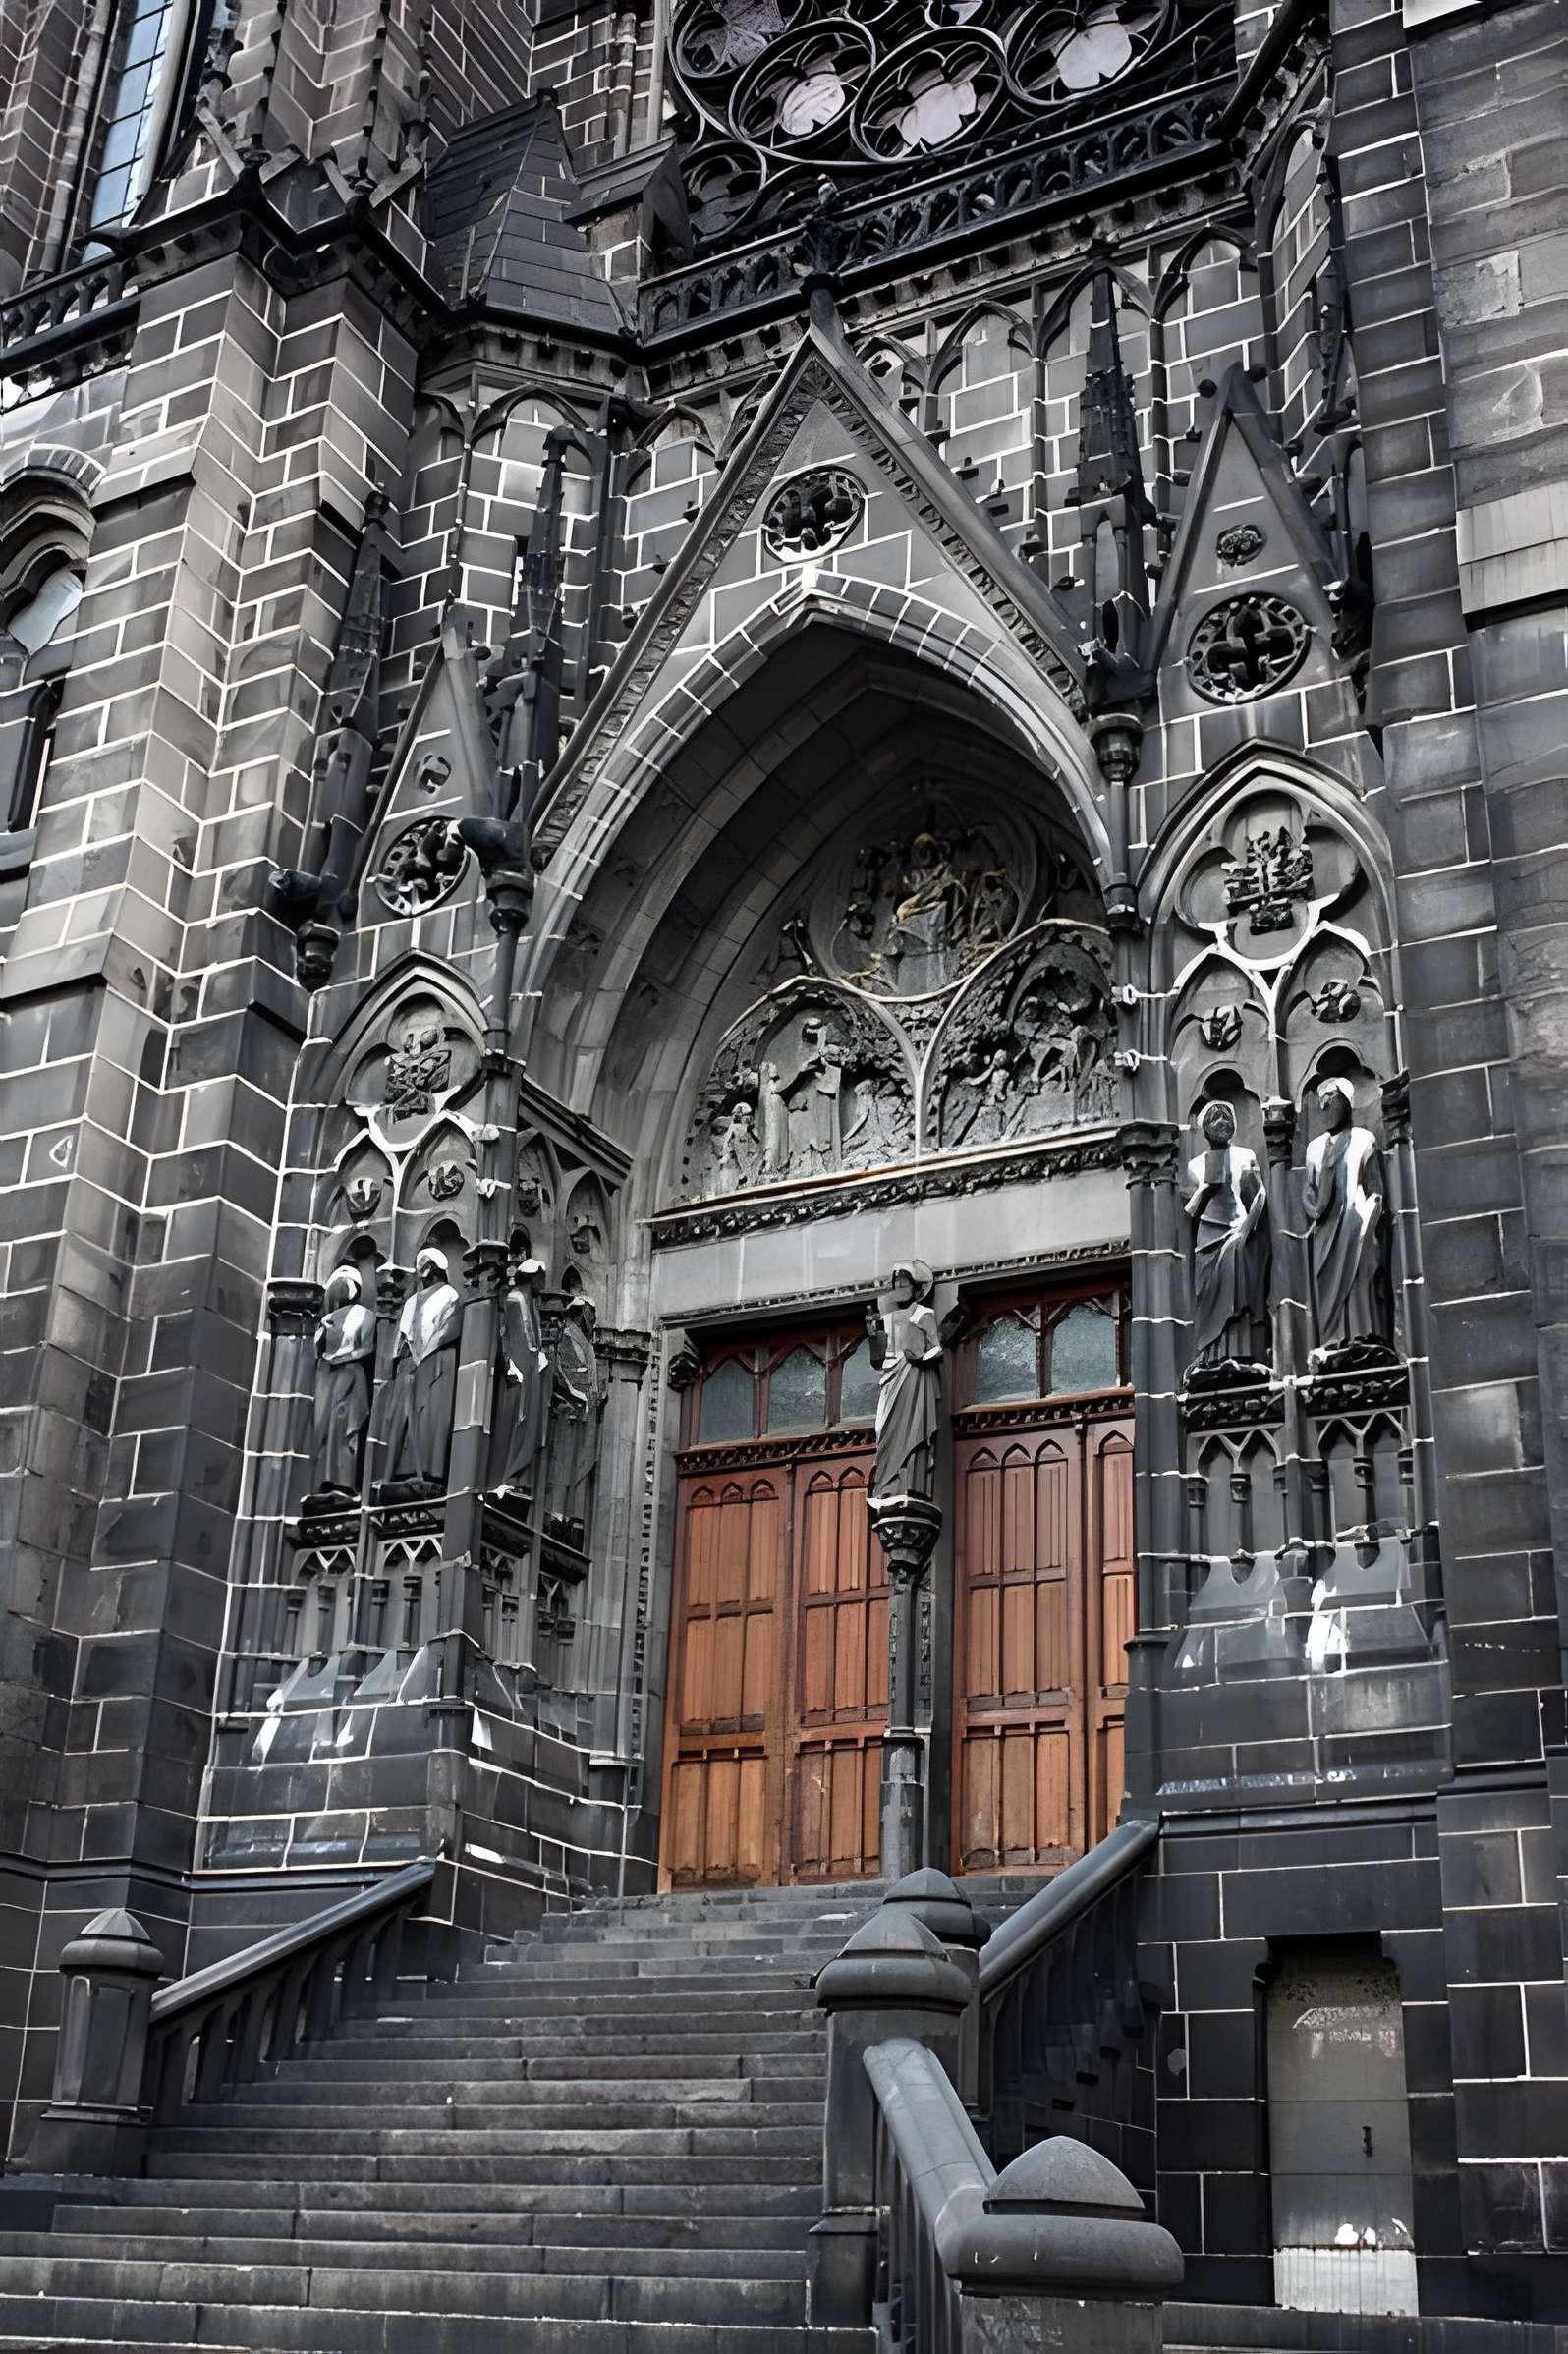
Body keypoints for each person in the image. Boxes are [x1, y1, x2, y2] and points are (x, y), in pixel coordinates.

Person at [1303, 1076, 1387, 1359]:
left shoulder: (1364, 1139)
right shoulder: (1314, 1148)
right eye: (1322, 1102)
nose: (1326, 1107)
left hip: (1355, 1223)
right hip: (1326, 1229)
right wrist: (1315, 1208)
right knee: (1325, 1284)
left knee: (1359, 1279)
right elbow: (1308, 1191)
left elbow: (1376, 1189)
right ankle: (1333, 1338)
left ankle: (1363, 1334)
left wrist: (1367, 1218)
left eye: (1333, 1100)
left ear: (1347, 1104)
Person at [1184, 1100, 1269, 1369]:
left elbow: (1259, 1195)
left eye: (1225, 1116)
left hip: (1236, 1233)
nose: (1221, 1122)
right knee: (1208, 1296)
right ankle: (1212, 1355)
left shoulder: (1245, 1155)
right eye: (1214, 1118)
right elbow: (1190, 1212)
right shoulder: (1195, 1165)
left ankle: (1240, 1351)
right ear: (1204, 1129)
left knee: (1236, 1289)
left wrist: (1246, 1227)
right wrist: (1206, 1188)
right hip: (1207, 1240)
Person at [379, 1247, 463, 1489]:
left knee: (431, 1416)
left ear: (435, 1268)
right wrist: (403, 1358)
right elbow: (402, 1338)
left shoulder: (450, 1295)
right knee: (404, 1416)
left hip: (437, 1363)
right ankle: (399, 1472)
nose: (421, 1271)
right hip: (412, 1366)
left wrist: (424, 1353)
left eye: (425, 1265)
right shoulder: (412, 1301)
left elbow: (449, 1329)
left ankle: (429, 1471)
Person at [867, 1260, 945, 1506]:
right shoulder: (886, 1318)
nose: (899, 1288)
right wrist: (873, 1334)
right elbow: (879, 1359)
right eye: (896, 1284)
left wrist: (919, 1357)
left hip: (914, 1378)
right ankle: (887, 1488)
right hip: (891, 1379)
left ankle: (910, 1484)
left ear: (915, 1288)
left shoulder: (925, 1313)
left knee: (914, 1429)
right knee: (884, 1428)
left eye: (904, 1284)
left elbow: (937, 1349)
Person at [310, 1267, 376, 1495]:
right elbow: (316, 1351)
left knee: (347, 1428)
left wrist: (339, 1356)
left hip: (351, 1376)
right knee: (326, 1428)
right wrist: (320, 1334)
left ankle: (345, 1481)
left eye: (344, 1285)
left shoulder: (364, 1314)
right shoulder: (328, 1319)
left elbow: (367, 1347)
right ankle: (325, 1479)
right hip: (328, 1378)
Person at [493, 1257, 550, 1494]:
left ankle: (520, 1475)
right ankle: (508, 1473)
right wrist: (510, 1363)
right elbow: (505, 1333)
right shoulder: (514, 1298)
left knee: (530, 1422)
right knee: (517, 1418)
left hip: (532, 1366)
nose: (541, 1282)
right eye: (538, 1277)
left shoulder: (531, 1303)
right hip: (519, 1368)